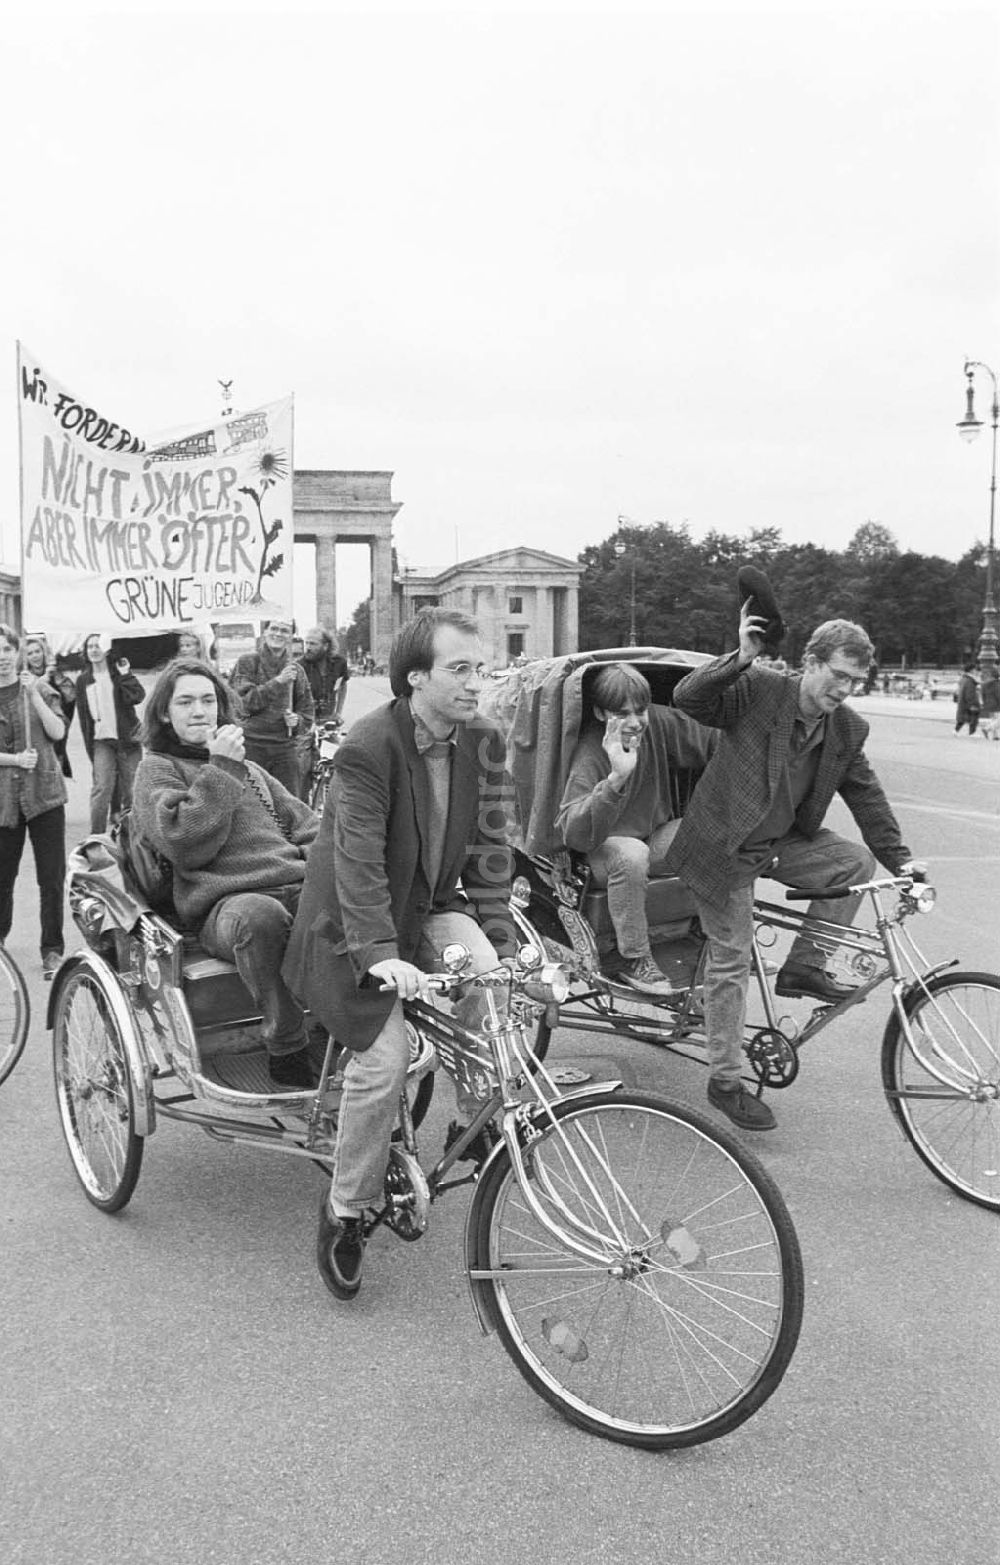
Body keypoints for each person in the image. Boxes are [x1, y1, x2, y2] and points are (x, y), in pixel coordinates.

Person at [283, 607, 515, 1301]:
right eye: (462, 669)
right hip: (350, 926)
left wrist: (499, 943)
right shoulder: (368, 744)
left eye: (484, 668)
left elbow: (492, 850)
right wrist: (380, 952)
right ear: (417, 676)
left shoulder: (486, 740)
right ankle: (345, 1210)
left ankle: (472, 1121)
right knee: (383, 1063)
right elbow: (356, 860)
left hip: (432, 906)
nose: (480, 682)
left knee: (493, 986)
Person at [665, 603, 918, 1132]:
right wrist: (741, 655)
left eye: (856, 680)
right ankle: (726, 1082)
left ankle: (805, 965)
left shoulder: (848, 728)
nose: (845, 689)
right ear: (811, 661)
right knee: (732, 958)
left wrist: (906, 863)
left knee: (853, 861)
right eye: (839, 675)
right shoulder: (761, 690)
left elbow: (868, 800)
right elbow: (688, 698)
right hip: (722, 846)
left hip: (780, 842)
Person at [132, 658, 320, 1088]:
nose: (199, 711)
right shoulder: (158, 768)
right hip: (225, 907)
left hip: (293, 883)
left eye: (207, 700)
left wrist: (320, 869)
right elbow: (184, 841)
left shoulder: (250, 769)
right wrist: (221, 769)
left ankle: (341, 1028)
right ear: (165, 712)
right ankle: (287, 1047)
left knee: (350, 902)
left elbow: (310, 826)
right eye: (185, 702)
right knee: (260, 915)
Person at [554, 662, 716, 995]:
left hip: (651, 837)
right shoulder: (589, 751)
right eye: (621, 713)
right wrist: (616, 779)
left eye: (639, 711)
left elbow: (713, 739)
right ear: (600, 713)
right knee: (631, 854)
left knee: (719, 829)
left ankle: (720, 936)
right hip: (598, 850)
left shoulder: (655, 722)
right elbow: (575, 833)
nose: (634, 722)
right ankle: (634, 958)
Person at [0, 624, 68, 980]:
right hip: (4, 802)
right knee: (2, 878)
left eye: (7, 650)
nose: (1, 658)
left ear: (18, 651)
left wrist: (36, 696)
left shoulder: (37, 687)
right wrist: (12, 760)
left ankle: (53, 950)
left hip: (44, 796)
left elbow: (58, 732)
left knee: (51, 877)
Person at [230, 619, 314, 798]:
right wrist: (278, 682)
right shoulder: (247, 662)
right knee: (251, 805)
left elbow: (307, 713)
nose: (278, 634)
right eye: (273, 628)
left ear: (291, 636)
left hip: (284, 748)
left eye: (284, 630)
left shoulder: (296, 670)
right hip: (251, 745)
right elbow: (242, 705)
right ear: (264, 632)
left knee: (289, 806)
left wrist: (297, 721)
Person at [76, 632, 145, 833]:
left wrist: (126, 675)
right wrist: (90, 747)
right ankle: (95, 836)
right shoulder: (83, 680)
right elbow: (83, 718)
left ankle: (130, 834)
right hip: (101, 741)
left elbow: (137, 696)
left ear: (107, 650)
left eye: (98, 645)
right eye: (90, 647)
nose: (94, 650)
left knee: (132, 791)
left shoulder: (118, 674)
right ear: (85, 652)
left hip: (128, 740)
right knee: (101, 788)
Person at [22, 632, 76, 777]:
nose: (35, 656)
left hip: (55, 729)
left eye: (37, 651)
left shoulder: (56, 675)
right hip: (34, 731)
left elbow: (70, 698)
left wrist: (52, 678)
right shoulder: (24, 677)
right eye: (30, 653)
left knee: (54, 773)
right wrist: (41, 681)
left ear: (44, 653)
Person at [301, 626, 350, 724]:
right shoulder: (301, 665)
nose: (308, 647)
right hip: (306, 721)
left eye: (313, 644)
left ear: (325, 646)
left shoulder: (339, 663)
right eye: (306, 643)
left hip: (329, 720)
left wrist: (338, 713)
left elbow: (343, 685)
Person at [954, 662, 980, 735]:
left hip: (963, 701)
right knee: (974, 716)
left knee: (963, 717)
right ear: (971, 670)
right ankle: (972, 733)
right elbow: (970, 693)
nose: (976, 671)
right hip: (970, 701)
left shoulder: (964, 678)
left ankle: (956, 731)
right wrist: (973, 703)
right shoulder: (970, 680)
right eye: (975, 669)